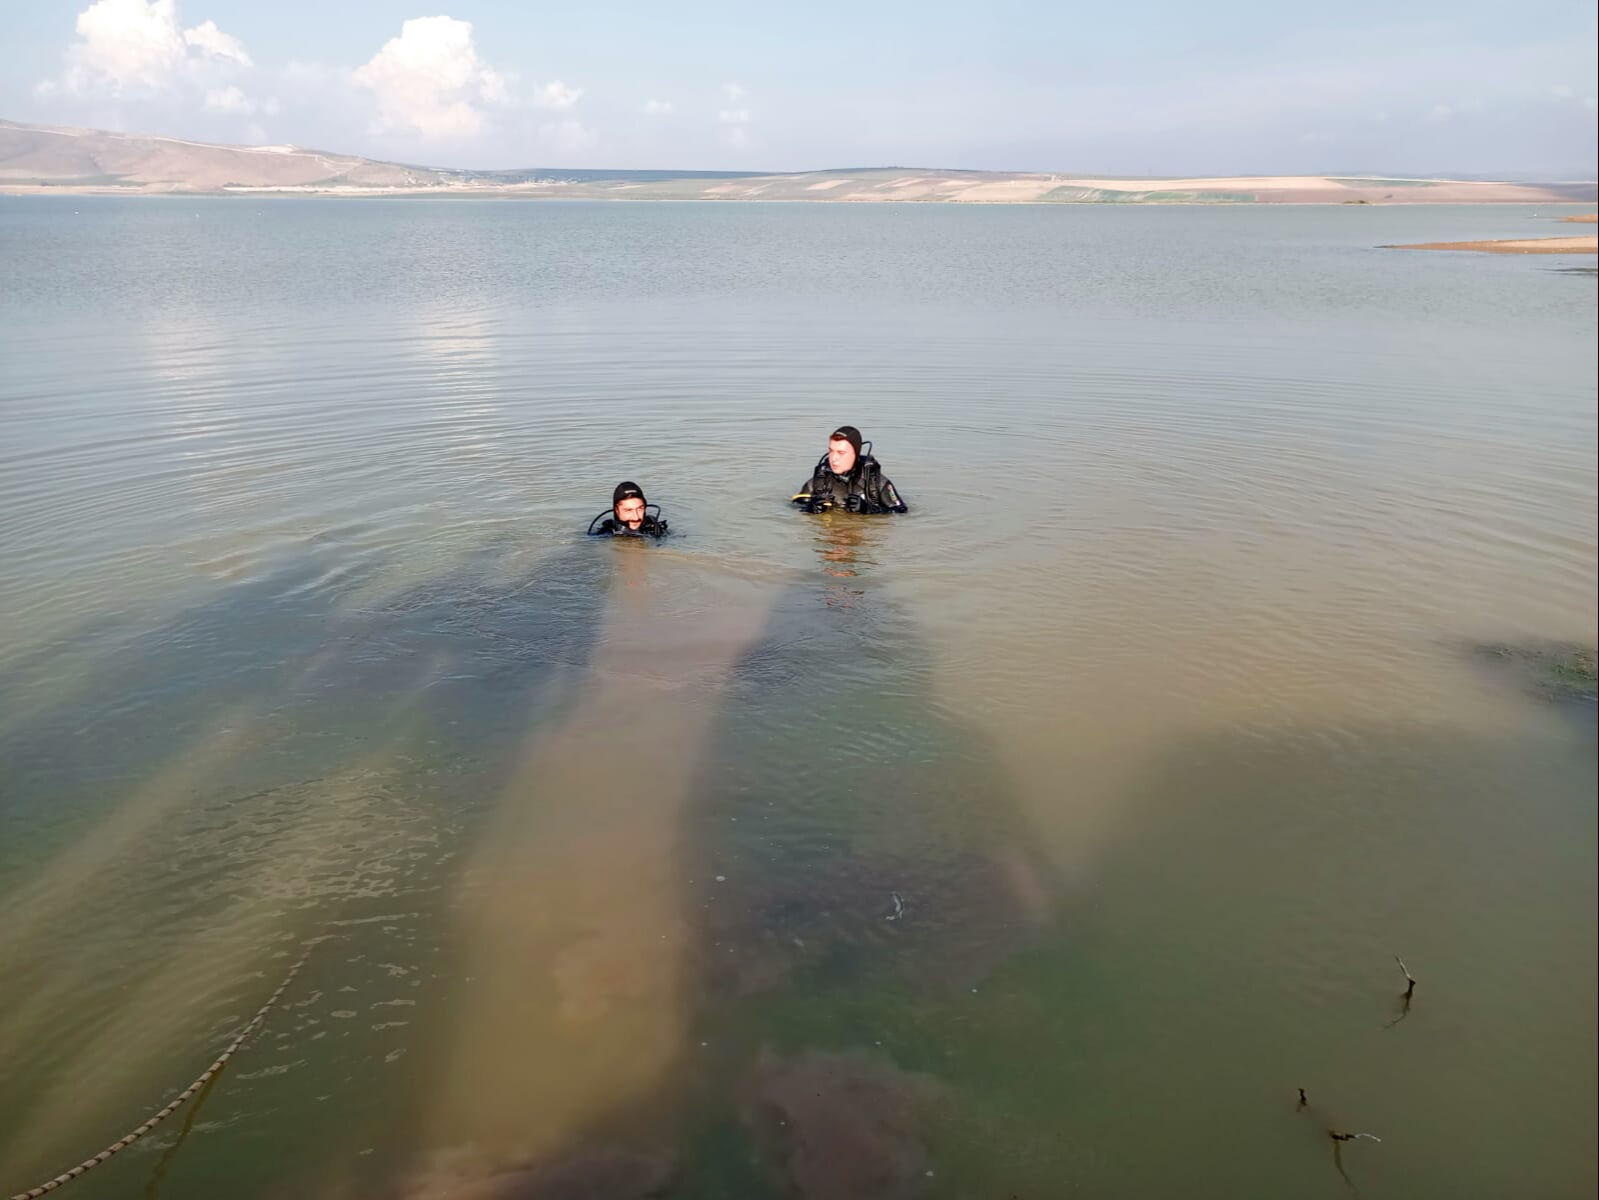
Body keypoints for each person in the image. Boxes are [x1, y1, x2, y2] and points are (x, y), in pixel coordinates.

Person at [790, 425, 908, 514]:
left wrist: (869, 509)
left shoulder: (875, 482)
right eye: (831, 451)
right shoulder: (819, 481)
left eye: (841, 453)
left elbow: (901, 511)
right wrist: (809, 508)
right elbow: (792, 508)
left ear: (855, 454)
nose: (833, 458)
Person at [588, 481, 669, 538]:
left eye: (640, 509)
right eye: (629, 510)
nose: (636, 517)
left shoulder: (655, 529)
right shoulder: (604, 534)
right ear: (617, 510)